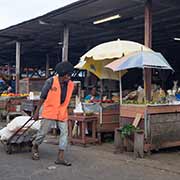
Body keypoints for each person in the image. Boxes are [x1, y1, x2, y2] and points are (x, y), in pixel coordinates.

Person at [32, 61, 74, 166]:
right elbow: (42, 97)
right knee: (43, 133)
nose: (69, 77)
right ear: (62, 75)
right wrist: (36, 112)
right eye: (68, 75)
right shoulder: (50, 82)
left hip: (62, 111)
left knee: (64, 133)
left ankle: (60, 157)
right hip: (50, 110)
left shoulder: (70, 84)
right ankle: (35, 146)